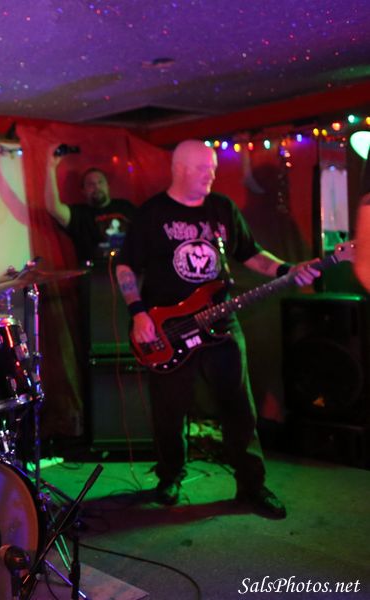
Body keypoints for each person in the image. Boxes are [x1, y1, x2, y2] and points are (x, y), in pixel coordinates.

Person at [114, 139, 320, 519]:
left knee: (239, 408)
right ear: (179, 169)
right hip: (169, 329)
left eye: (212, 167)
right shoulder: (153, 213)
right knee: (169, 411)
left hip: (220, 324)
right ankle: (170, 476)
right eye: (202, 168)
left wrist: (287, 269)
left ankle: (252, 485)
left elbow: (250, 254)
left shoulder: (221, 208)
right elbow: (125, 265)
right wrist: (139, 313)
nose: (211, 174)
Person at [46, 157, 137, 265]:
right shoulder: (79, 214)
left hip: (129, 269)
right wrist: (51, 167)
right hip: (96, 272)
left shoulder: (126, 207)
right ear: (83, 190)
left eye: (100, 182)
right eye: (90, 184)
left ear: (107, 185)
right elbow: (53, 208)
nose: (96, 187)